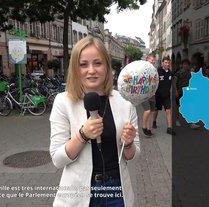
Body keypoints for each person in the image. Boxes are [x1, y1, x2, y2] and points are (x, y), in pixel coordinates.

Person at [49, 36, 140, 207]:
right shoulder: (63, 102)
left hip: (117, 190)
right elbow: (57, 159)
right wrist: (82, 135)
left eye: (97, 63)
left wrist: (128, 144)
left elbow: (133, 155)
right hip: (79, 191)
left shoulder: (125, 102)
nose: (91, 70)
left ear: (107, 66)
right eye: (83, 64)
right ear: (75, 69)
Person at [152, 56, 176, 135]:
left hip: (166, 96)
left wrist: (175, 90)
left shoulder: (170, 72)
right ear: (162, 63)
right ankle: (154, 121)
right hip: (158, 95)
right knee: (156, 110)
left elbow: (172, 81)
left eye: (168, 63)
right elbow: (153, 82)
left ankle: (169, 128)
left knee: (168, 111)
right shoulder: (157, 71)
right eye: (166, 62)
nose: (167, 64)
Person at [175, 59, 200, 129]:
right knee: (178, 107)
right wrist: (176, 91)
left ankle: (192, 123)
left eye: (187, 64)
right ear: (182, 65)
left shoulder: (189, 72)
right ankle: (177, 120)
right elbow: (174, 81)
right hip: (180, 92)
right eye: (184, 64)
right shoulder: (178, 72)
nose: (186, 65)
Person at [141, 53, 157, 137]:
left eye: (154, 60)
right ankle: (144, 127)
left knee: (151, 112)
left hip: (152, 94)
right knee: (147, 111)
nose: (154, 61)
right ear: (147, 60)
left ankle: (149, 129)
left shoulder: (154, 70)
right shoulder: (143, 68)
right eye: (152, 60)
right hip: (144, 94)